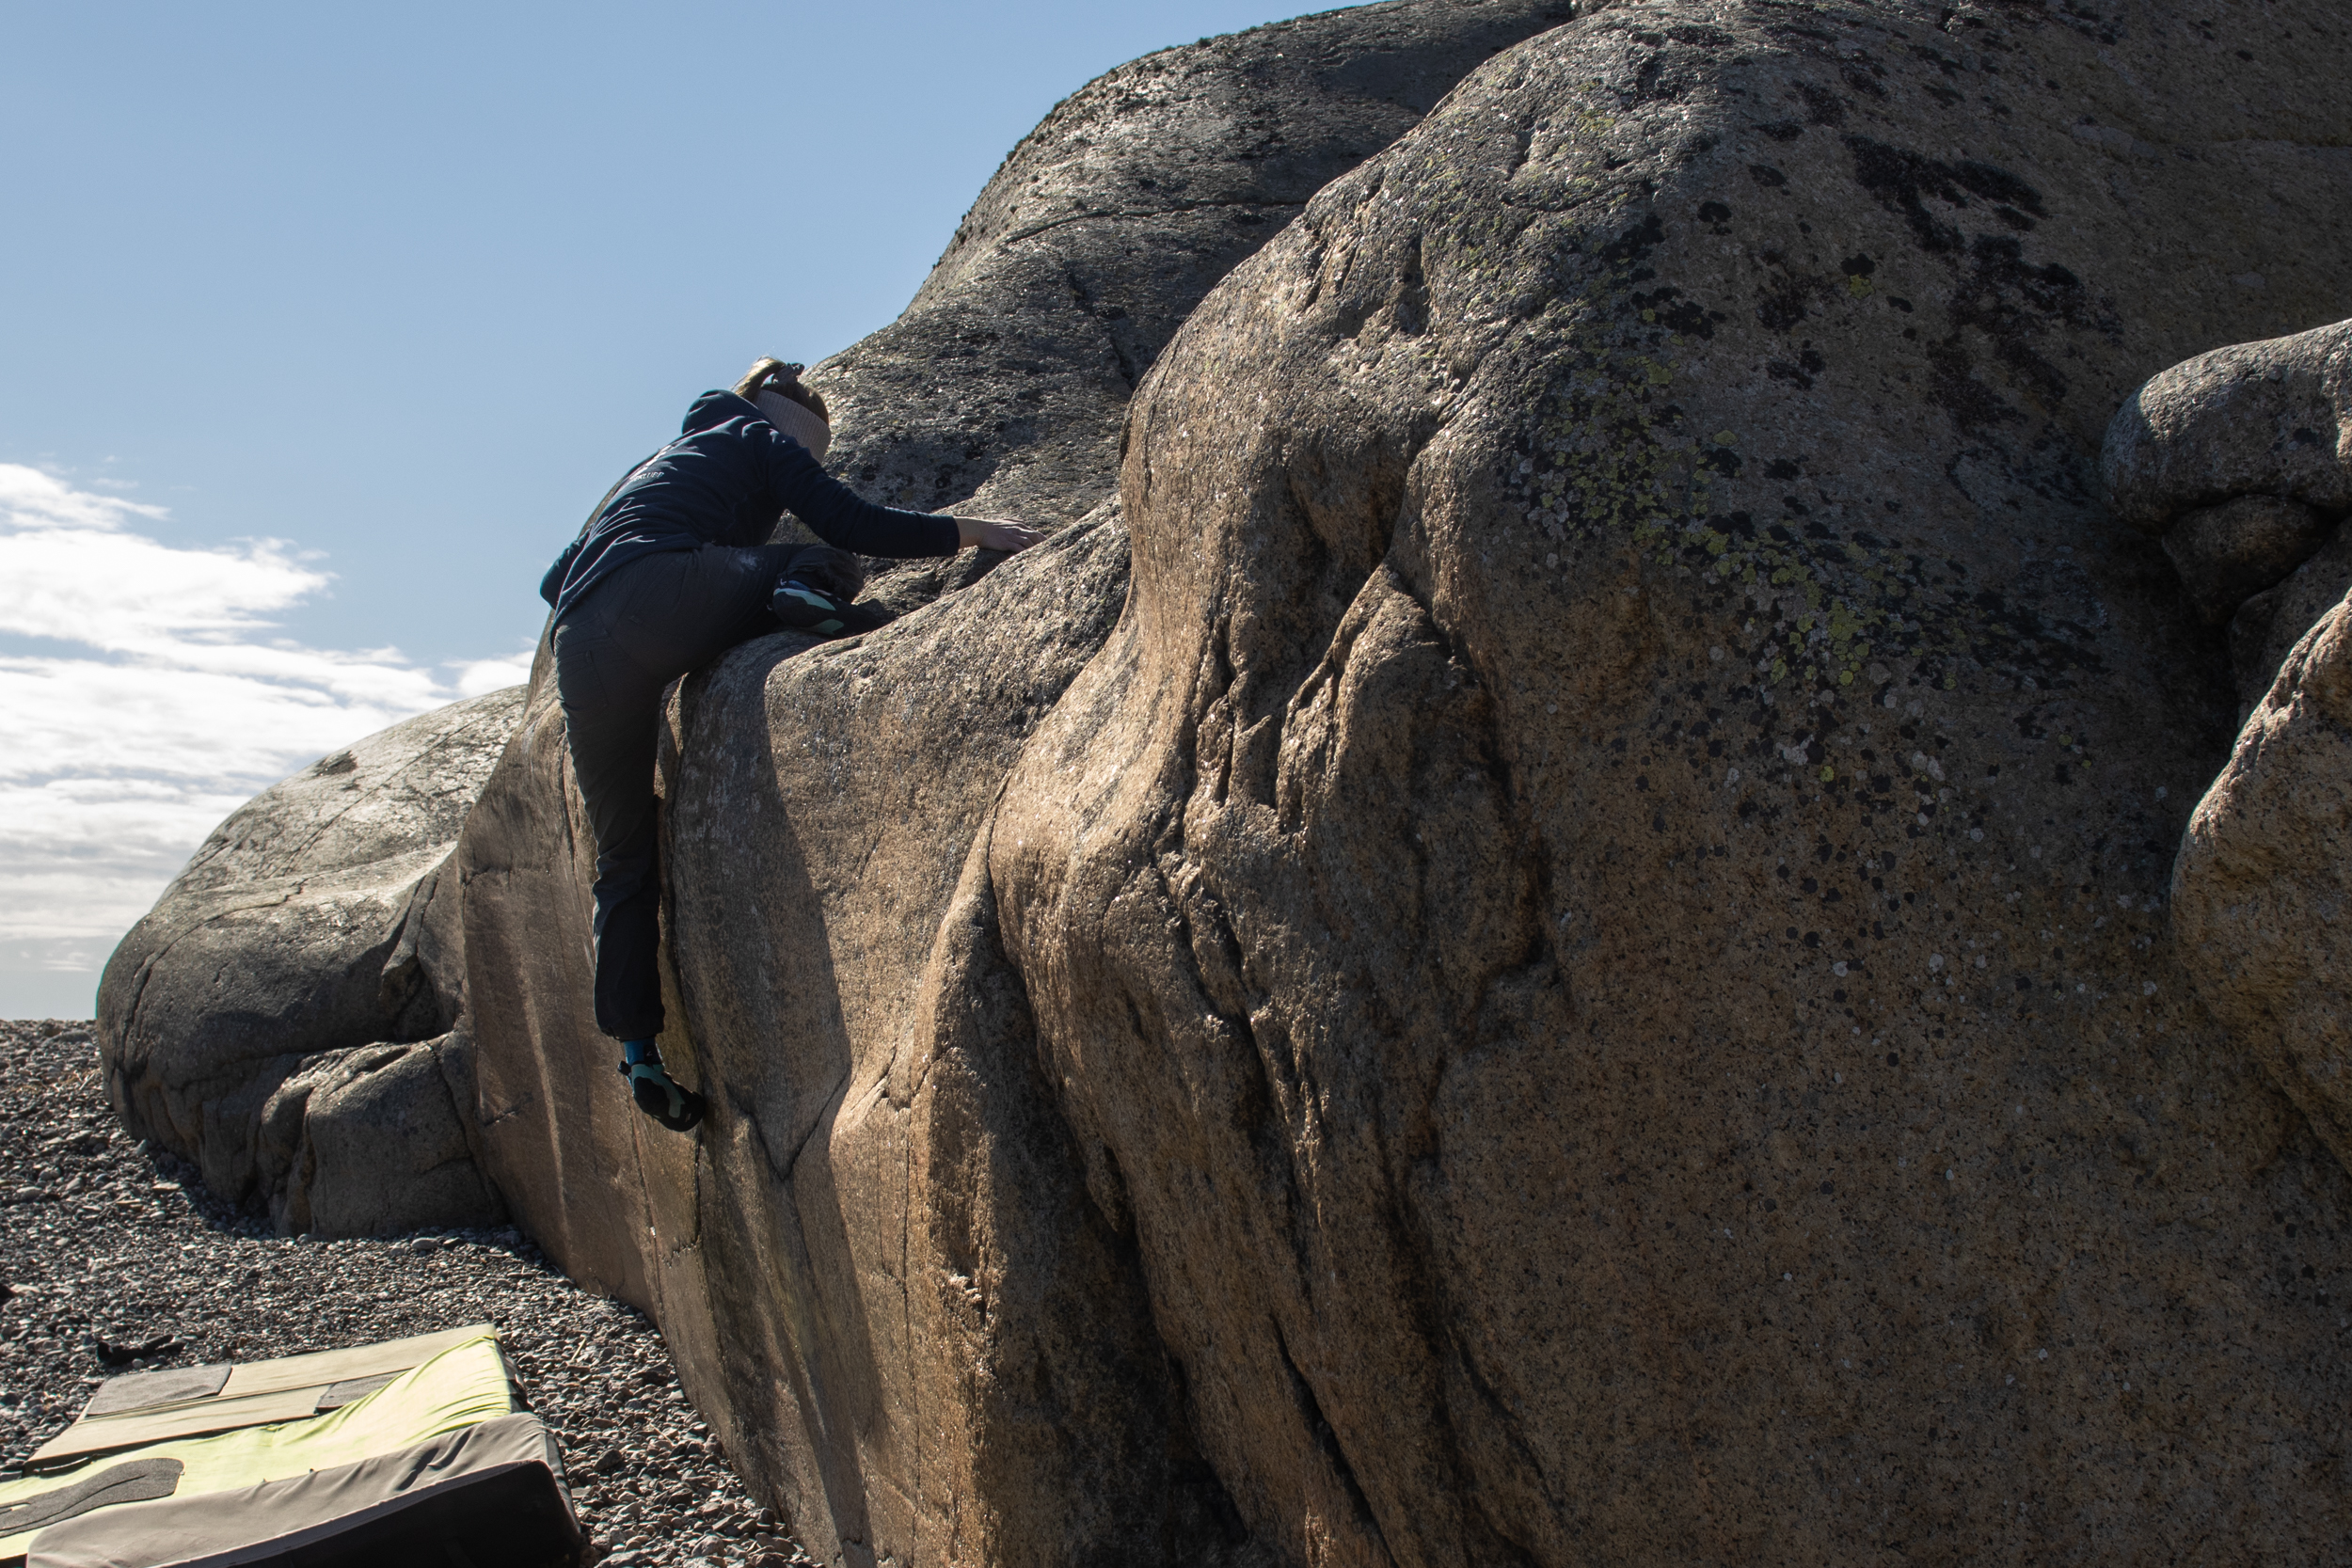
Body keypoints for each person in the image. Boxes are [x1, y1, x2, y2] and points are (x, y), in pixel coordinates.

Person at [539, 357, 1042, 1132]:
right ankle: (802, 597)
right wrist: (968, 530)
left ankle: (639, 1052)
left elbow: (555, 578)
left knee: (624, 860)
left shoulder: (661, 463)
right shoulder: (757, 438)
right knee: (821, 556)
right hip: (660, 594)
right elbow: (852, 521)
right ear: (795, 433)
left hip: (583, 645)